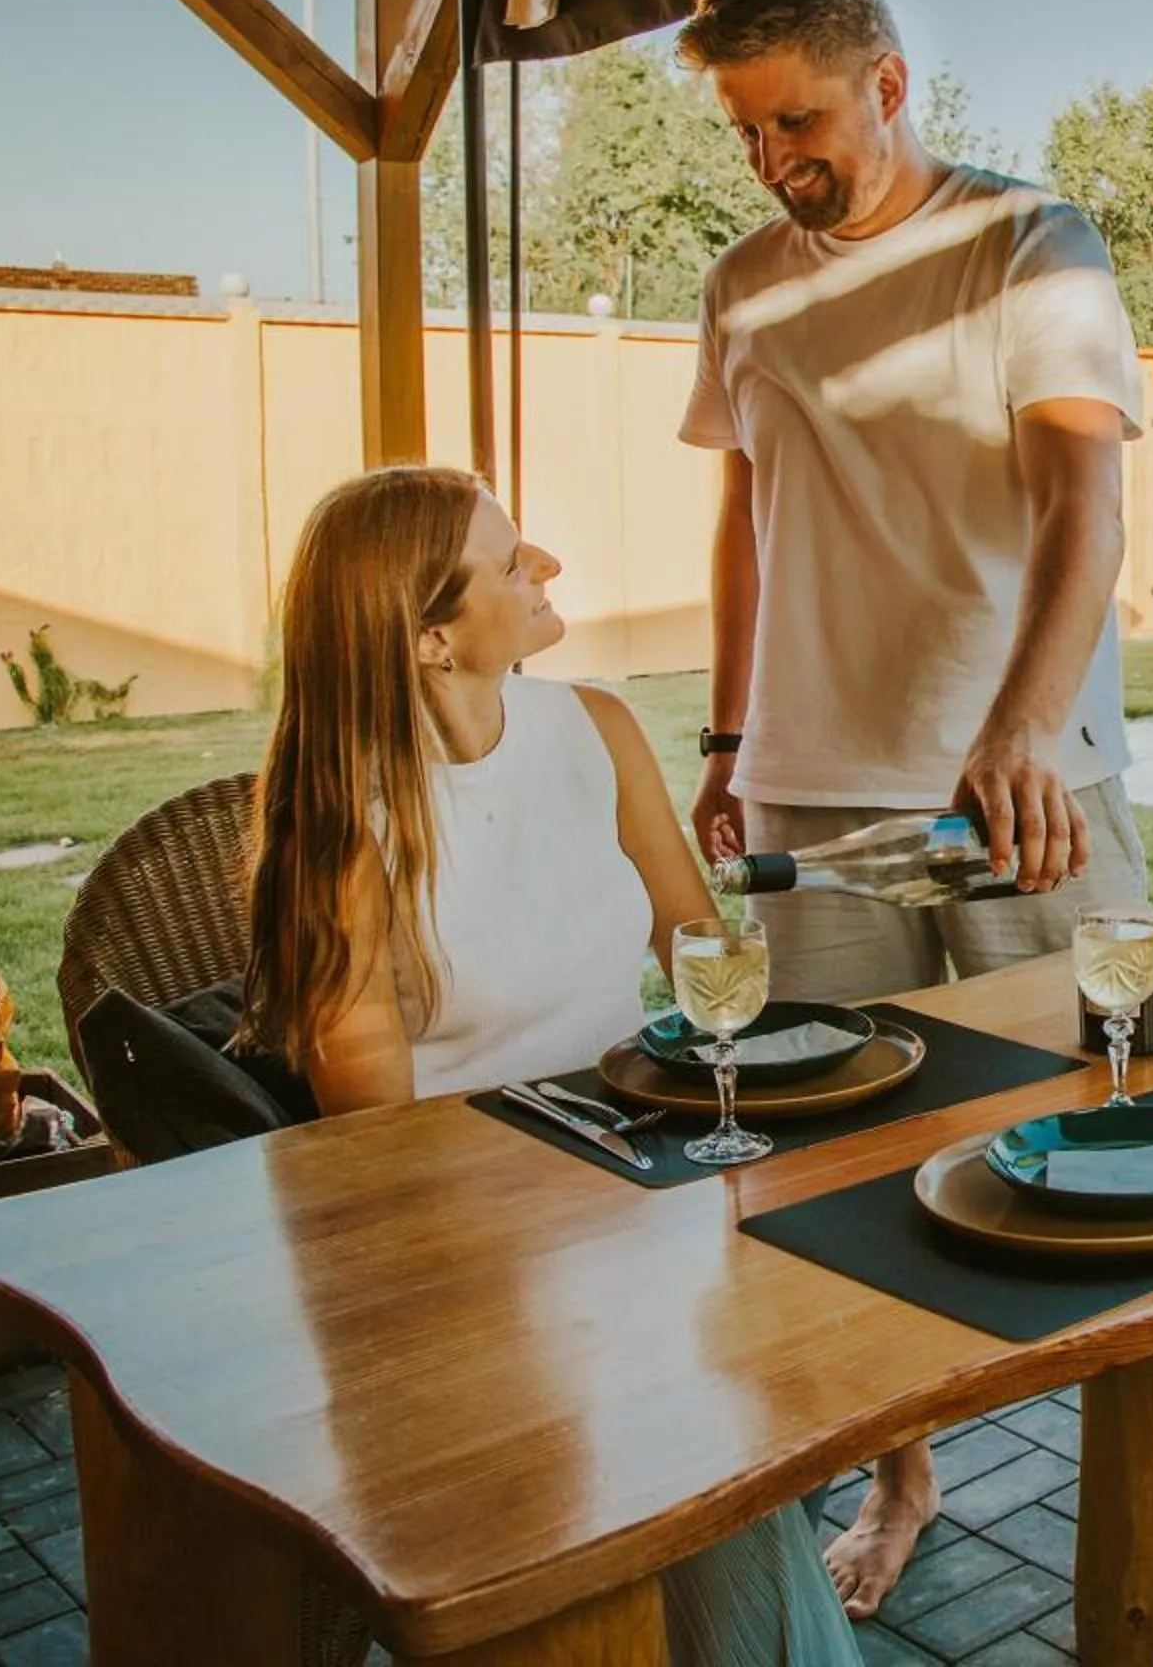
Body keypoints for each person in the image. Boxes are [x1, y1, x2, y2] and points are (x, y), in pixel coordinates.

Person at [674, 0, 1153, 1618]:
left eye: (798, 118)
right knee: (837, 1162)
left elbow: (1088, 507)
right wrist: (731, 740)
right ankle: (902, 1473)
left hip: (1027, 785)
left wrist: (1015, 730)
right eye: (743, 131)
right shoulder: (744, 283)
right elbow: (743, 516)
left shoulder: (1030, 246)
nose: (775, 157)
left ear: (887, 86)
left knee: (1106, 1108)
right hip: (811, 782)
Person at [237, 464, 858, 1667]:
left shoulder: (597, 729)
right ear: (431, 636)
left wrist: (748, 940)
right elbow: (375, 1146)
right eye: (513, 562)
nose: (548, 570)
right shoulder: (347, 822)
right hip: (466, 1263)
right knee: (699, 1460)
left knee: (831, 1325)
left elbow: (694, 941)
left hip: (644, 1185)